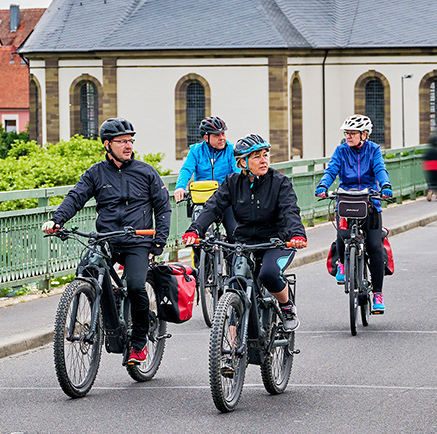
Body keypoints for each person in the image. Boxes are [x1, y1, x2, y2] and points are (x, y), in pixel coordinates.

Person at [43, 119, 171, 365]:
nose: (128, 146)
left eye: (130, 141)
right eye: (122, 141)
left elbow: (163, 208)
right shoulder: (96, 173)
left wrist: (159, 241)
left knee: (135, 286)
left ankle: (138, 343)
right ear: (107, 144)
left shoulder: (146, 172)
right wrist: (57, 220)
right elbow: (76, 196)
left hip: (137, 240)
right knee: (88, 268)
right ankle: (100, 308)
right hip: (107, 239)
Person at [182, 134, 307, 331]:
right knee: (237, 285)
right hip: (245, 242)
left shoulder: (279, 182)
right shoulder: (232, 183)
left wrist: (296, 235)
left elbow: (290, 211)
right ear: (242, 162)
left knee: (268, 274)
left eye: (265, 155)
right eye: (256, 156)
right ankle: (230, 353)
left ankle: (286, 306)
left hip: (277, 242)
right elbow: (212, 207)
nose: (264, 160)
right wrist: (195, 230)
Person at [315, 114, 394, 313]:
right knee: (342, 234)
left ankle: (377, 294)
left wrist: (385, 185)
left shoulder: (373, 150)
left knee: (375, 247)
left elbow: (380, 169)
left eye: (352, 133)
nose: (348, 136)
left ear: (364, 135)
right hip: (346, 199)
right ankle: (342, 263)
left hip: (369, 201)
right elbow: (331, 170)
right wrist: (324, 185)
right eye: (347, 133)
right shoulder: (341, 151)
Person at [174, 115, 234, 206]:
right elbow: (186, 169)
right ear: (206, 138)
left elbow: (238, 170)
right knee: (198, 219)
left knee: (232, 219)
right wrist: (180, 187)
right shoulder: (196, 151)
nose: (222, 138)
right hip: (202, 199)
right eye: (217, 135)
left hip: (225, 198)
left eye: (223, 133)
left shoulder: (231, 150)